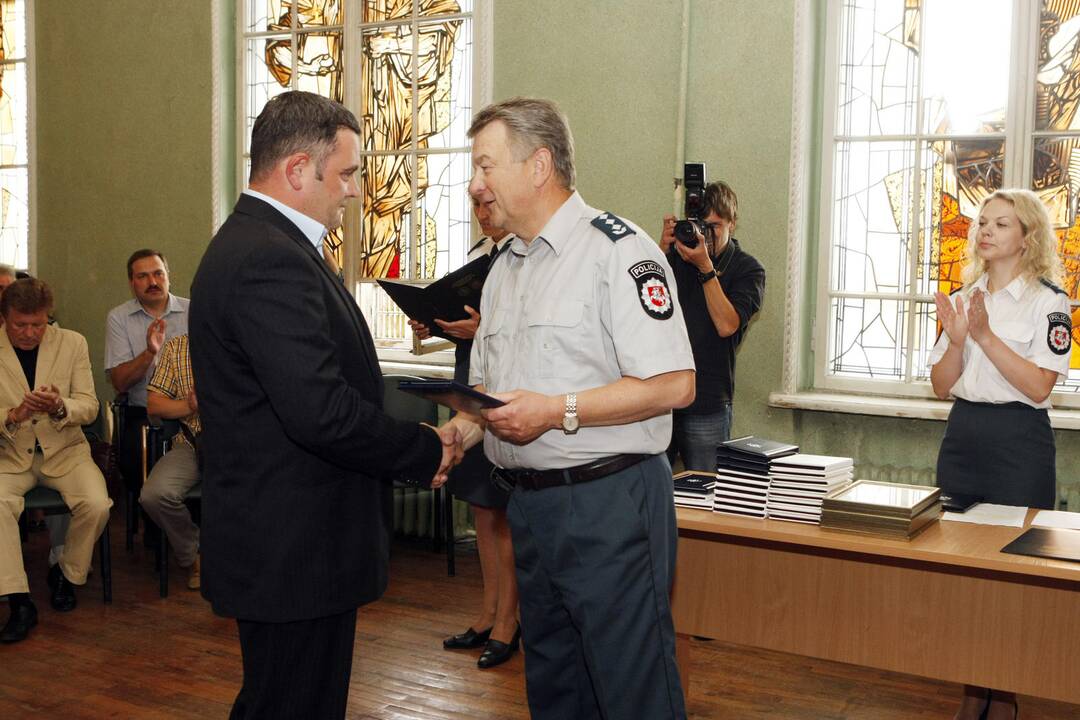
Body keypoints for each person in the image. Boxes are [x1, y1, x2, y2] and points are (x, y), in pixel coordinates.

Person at [189, 90, 462, 720]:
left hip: (294, 543)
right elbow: (321, 411)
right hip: (293, 549)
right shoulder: (267, 259)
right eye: (346, 173)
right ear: (296, 171)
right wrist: (425, 448)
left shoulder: (267, 245)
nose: (356, 190)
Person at [441, 97, 696, 719]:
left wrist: (557, 410)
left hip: (609, 503)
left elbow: (674, 385)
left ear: (538, 165)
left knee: (631, 687)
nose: (475, 185)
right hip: (529, 505)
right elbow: (501, 394)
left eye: (485, 166)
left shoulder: (618, 252)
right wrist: (461, 430)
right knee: (556, 686)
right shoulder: (505, 268)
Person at [930, 188, 1071, 720]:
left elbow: (1039, 387)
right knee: (964, 574)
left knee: (1011, 576)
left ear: (1027, 237)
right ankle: (973, 693)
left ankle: (1005, 697)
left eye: (1001, 224)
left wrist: (986, 338)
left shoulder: (1049, 301)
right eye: (982, 222)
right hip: (964, 437)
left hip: (1020, 443)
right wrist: (961, 340)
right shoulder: (964, 297)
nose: (984, 231)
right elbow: (942, 386)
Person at [409, 197, 519, 669]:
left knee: (506, 518)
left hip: (507, 394)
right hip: (468, 387)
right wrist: (432, 324)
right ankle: (488, 613)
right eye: (474, 204)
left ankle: (509, 623)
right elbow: (468, 332)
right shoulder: (482, 258)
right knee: (482, 513)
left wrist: (484, 329)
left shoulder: (523, 256)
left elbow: (526, 336)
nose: (480, 210)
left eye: (488, 202)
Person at [0, 279, 111, 643]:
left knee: (96, 504)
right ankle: (19, 601)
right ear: (5, 319)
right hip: (12, 454)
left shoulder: (73, 342)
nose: (31, 332)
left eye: (39, 324)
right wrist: (13, 414)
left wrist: (60, 406)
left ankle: (67, 574)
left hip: (66, 451)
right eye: (20, 325)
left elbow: (90, 405)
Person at [660, 182, 765, 471]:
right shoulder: (674, 259)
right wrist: (659, 253)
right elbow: (638, 311)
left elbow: (726, 325)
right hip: (661, 402)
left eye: (715, 227)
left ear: (733, 223)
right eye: (699, 226)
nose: (705, 235)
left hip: (707, 404)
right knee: (652, 490)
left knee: (706, 497)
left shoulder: (748, 269)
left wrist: (706, 269)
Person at [104, 250, 189, 504]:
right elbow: (120, 382)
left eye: (158, 274)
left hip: (192, 413)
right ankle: (154, 526)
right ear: (132, 283)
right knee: (134, 460)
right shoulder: (119, 318)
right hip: (142, 412)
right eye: (143, 276)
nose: (153, 282)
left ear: (168, 276)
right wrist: (150, 352)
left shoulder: (192, 311)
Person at [139, 334, 201, 590]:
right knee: (154, 495)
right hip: (192, 444)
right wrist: (190, 404)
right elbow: (154, 406)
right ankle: (195, 556)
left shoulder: (254, 338)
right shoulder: (178, 347)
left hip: (246, 447)